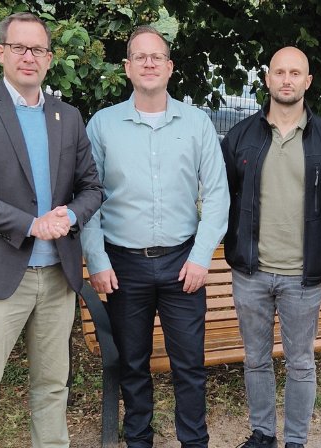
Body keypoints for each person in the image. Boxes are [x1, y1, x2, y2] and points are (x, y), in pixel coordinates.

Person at [0, 12, 103, 448]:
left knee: (52, 387)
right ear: (1, 52)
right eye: (19, 47)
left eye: (38, 49)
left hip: (57, 276)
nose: (29, 57)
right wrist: (32, 224)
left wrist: (70, 216)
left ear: (49, 58)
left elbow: (92, 187)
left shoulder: (67, 116)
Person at [81, 25, 229, 448]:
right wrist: (97, 260)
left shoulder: (197, 123)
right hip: (123, 265)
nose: (149, 63)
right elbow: (88, 197)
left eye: (157, 57)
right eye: (140, 57)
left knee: (189, 366)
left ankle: (194, 442)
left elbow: (217, 195)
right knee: (133, 364)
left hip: (183, 263)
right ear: (127, 68)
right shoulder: (103, 125)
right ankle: (139, 440)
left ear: (169, 67)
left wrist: (201, 256)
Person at [220, 47, 321, 448]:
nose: (287, 79)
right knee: (256, 359)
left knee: (301, 363)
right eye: (280, 72)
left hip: (303, 275)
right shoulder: (241, 136)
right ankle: (263, 434)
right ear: (267, 79)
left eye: (295, 73)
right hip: (251, 272)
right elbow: (222, 198)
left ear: (307, 81)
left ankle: (296, 440)